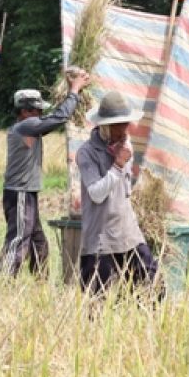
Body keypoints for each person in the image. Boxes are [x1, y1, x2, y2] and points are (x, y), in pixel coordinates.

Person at [0, 69, 91, 276]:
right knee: (18, 239)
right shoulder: (25, 126)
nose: (40, 115)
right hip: (19, 192)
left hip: (26, 193)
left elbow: (55, 118)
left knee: (38, 242)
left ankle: (40, 286)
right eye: (38, 111)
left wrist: (70, 91)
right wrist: (74, 90)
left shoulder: (29, 126)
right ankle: (1, 283)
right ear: (25, 111)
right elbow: (60, 117)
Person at [76, 90, 159, 294]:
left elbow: (126, 187)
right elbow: (96, 193)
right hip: (101, 236)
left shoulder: (125, 143)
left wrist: (122, 161)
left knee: (153, 287)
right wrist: (118, 165)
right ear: (104, 126)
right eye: (118, 125)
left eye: (126, 123)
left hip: (127, 230)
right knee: (96, 299)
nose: (124, 129)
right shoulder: (86, 153)